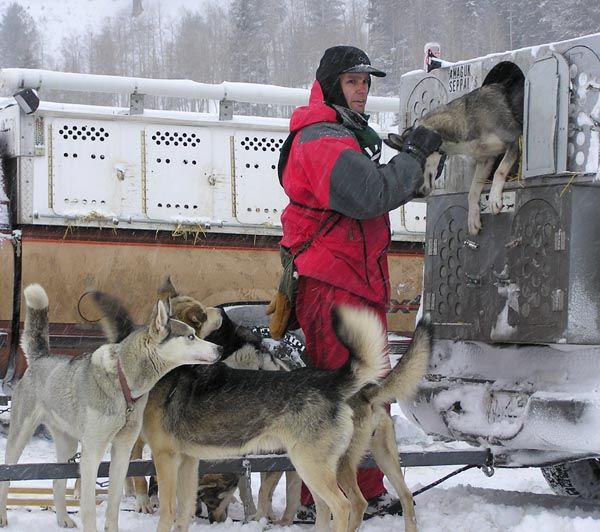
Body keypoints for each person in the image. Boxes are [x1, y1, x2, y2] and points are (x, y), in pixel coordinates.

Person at [268, 45, 443, 520]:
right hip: (333, 284)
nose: (363, 90)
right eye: (352, 82)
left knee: (365, 395)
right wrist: (415, 155)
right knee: (339, 396)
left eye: (366, 82)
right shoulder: (322, 140)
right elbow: (371, 194)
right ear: (330, 85)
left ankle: (360, 490)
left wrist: (409, 164)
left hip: (354, 280)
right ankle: (321, 498)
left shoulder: (345, 134)